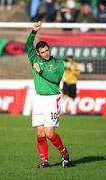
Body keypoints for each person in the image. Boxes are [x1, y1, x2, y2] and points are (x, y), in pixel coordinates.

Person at [26, 21, 70, 168]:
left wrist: (41, 71)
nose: (46, 53)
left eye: (47, 50)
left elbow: (56, 78)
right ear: (38, 53)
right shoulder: (35, 59)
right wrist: (33, 31)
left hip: (52, 99)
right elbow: (28, 46)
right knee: (40, 133)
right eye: (43, 52)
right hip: (38, 99)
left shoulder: (58, 63)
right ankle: (44, 161)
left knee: (49, 133)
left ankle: (64, 152)